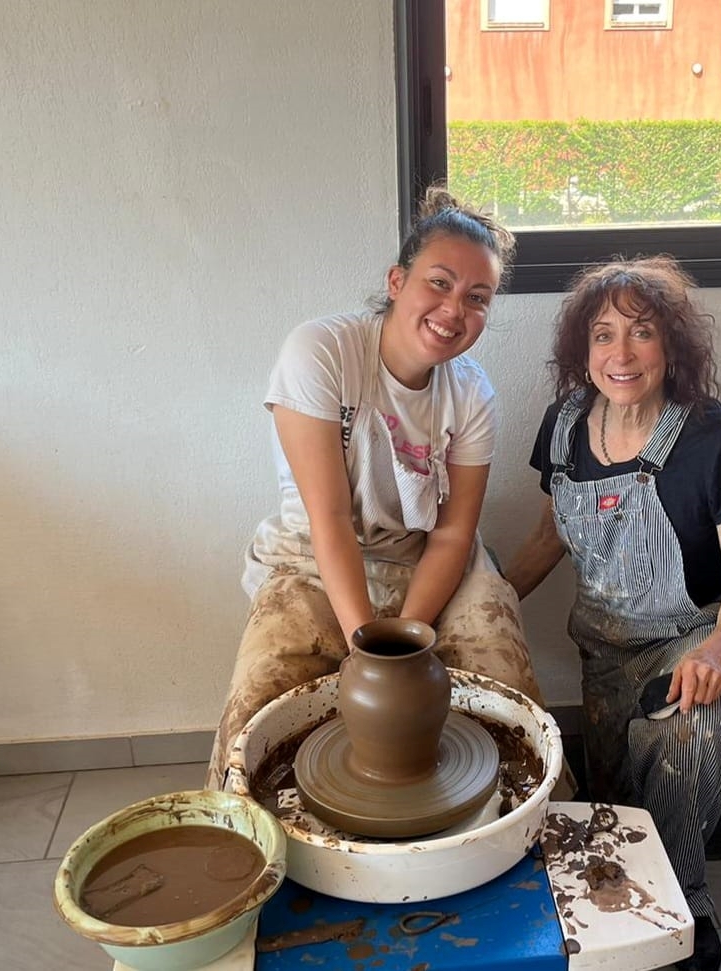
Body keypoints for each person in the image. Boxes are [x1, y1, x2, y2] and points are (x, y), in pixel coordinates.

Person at [207, 187, 575, 799]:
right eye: (439, 282)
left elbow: (454, 533)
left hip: (427, 552)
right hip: (312, 554)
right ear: (397, 281)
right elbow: (327, 520)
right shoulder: (322, 351)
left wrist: (409, 636)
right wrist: (370, 651)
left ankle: (545, 848)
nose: (454, 309)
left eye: (477, 298)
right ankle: (250, 857)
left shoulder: (471, 392)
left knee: (503, 675)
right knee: (260, 704)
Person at [504, 255, 721, 971]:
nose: (619, 354)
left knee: (683, 735)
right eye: (601, 335)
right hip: (606, 647)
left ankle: (686, 908)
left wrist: (716, 652)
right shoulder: (562, 429)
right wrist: (479, 609)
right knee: (615, 807)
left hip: (697, 633)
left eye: (641, 333)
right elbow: (544, 541)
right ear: (580, 349)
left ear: (672, 346)